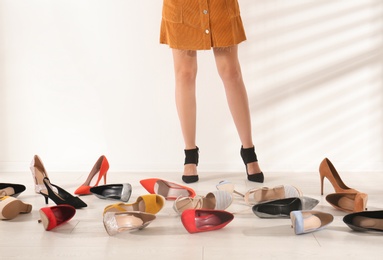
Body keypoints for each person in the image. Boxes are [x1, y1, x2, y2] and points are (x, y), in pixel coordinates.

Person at [160, 0, 264, 183]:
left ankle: (249, 151)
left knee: (231, 73)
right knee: (185, 74)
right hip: (182, 7)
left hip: (220, 5)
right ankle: (190, 154)